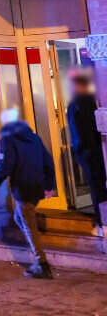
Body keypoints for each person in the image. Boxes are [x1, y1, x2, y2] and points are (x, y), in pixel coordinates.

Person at [0, 108, 56, 278]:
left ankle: (42, 264)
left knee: (26, 222)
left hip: (23, 186)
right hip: (36, 186)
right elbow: (48, 162)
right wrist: (49, 185)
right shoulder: (34, 138)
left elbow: (7, 164)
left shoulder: (8, 140)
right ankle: (36, 230)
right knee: (20, 218)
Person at [67, 69, 107, 237]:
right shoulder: (84, 101)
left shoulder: (79, 102)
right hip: (90, 151)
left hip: (89, 152)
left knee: (97, 188)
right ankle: (101, 223)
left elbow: (85, 129)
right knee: (98, 187)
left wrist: (84, 150)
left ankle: (102, 224)